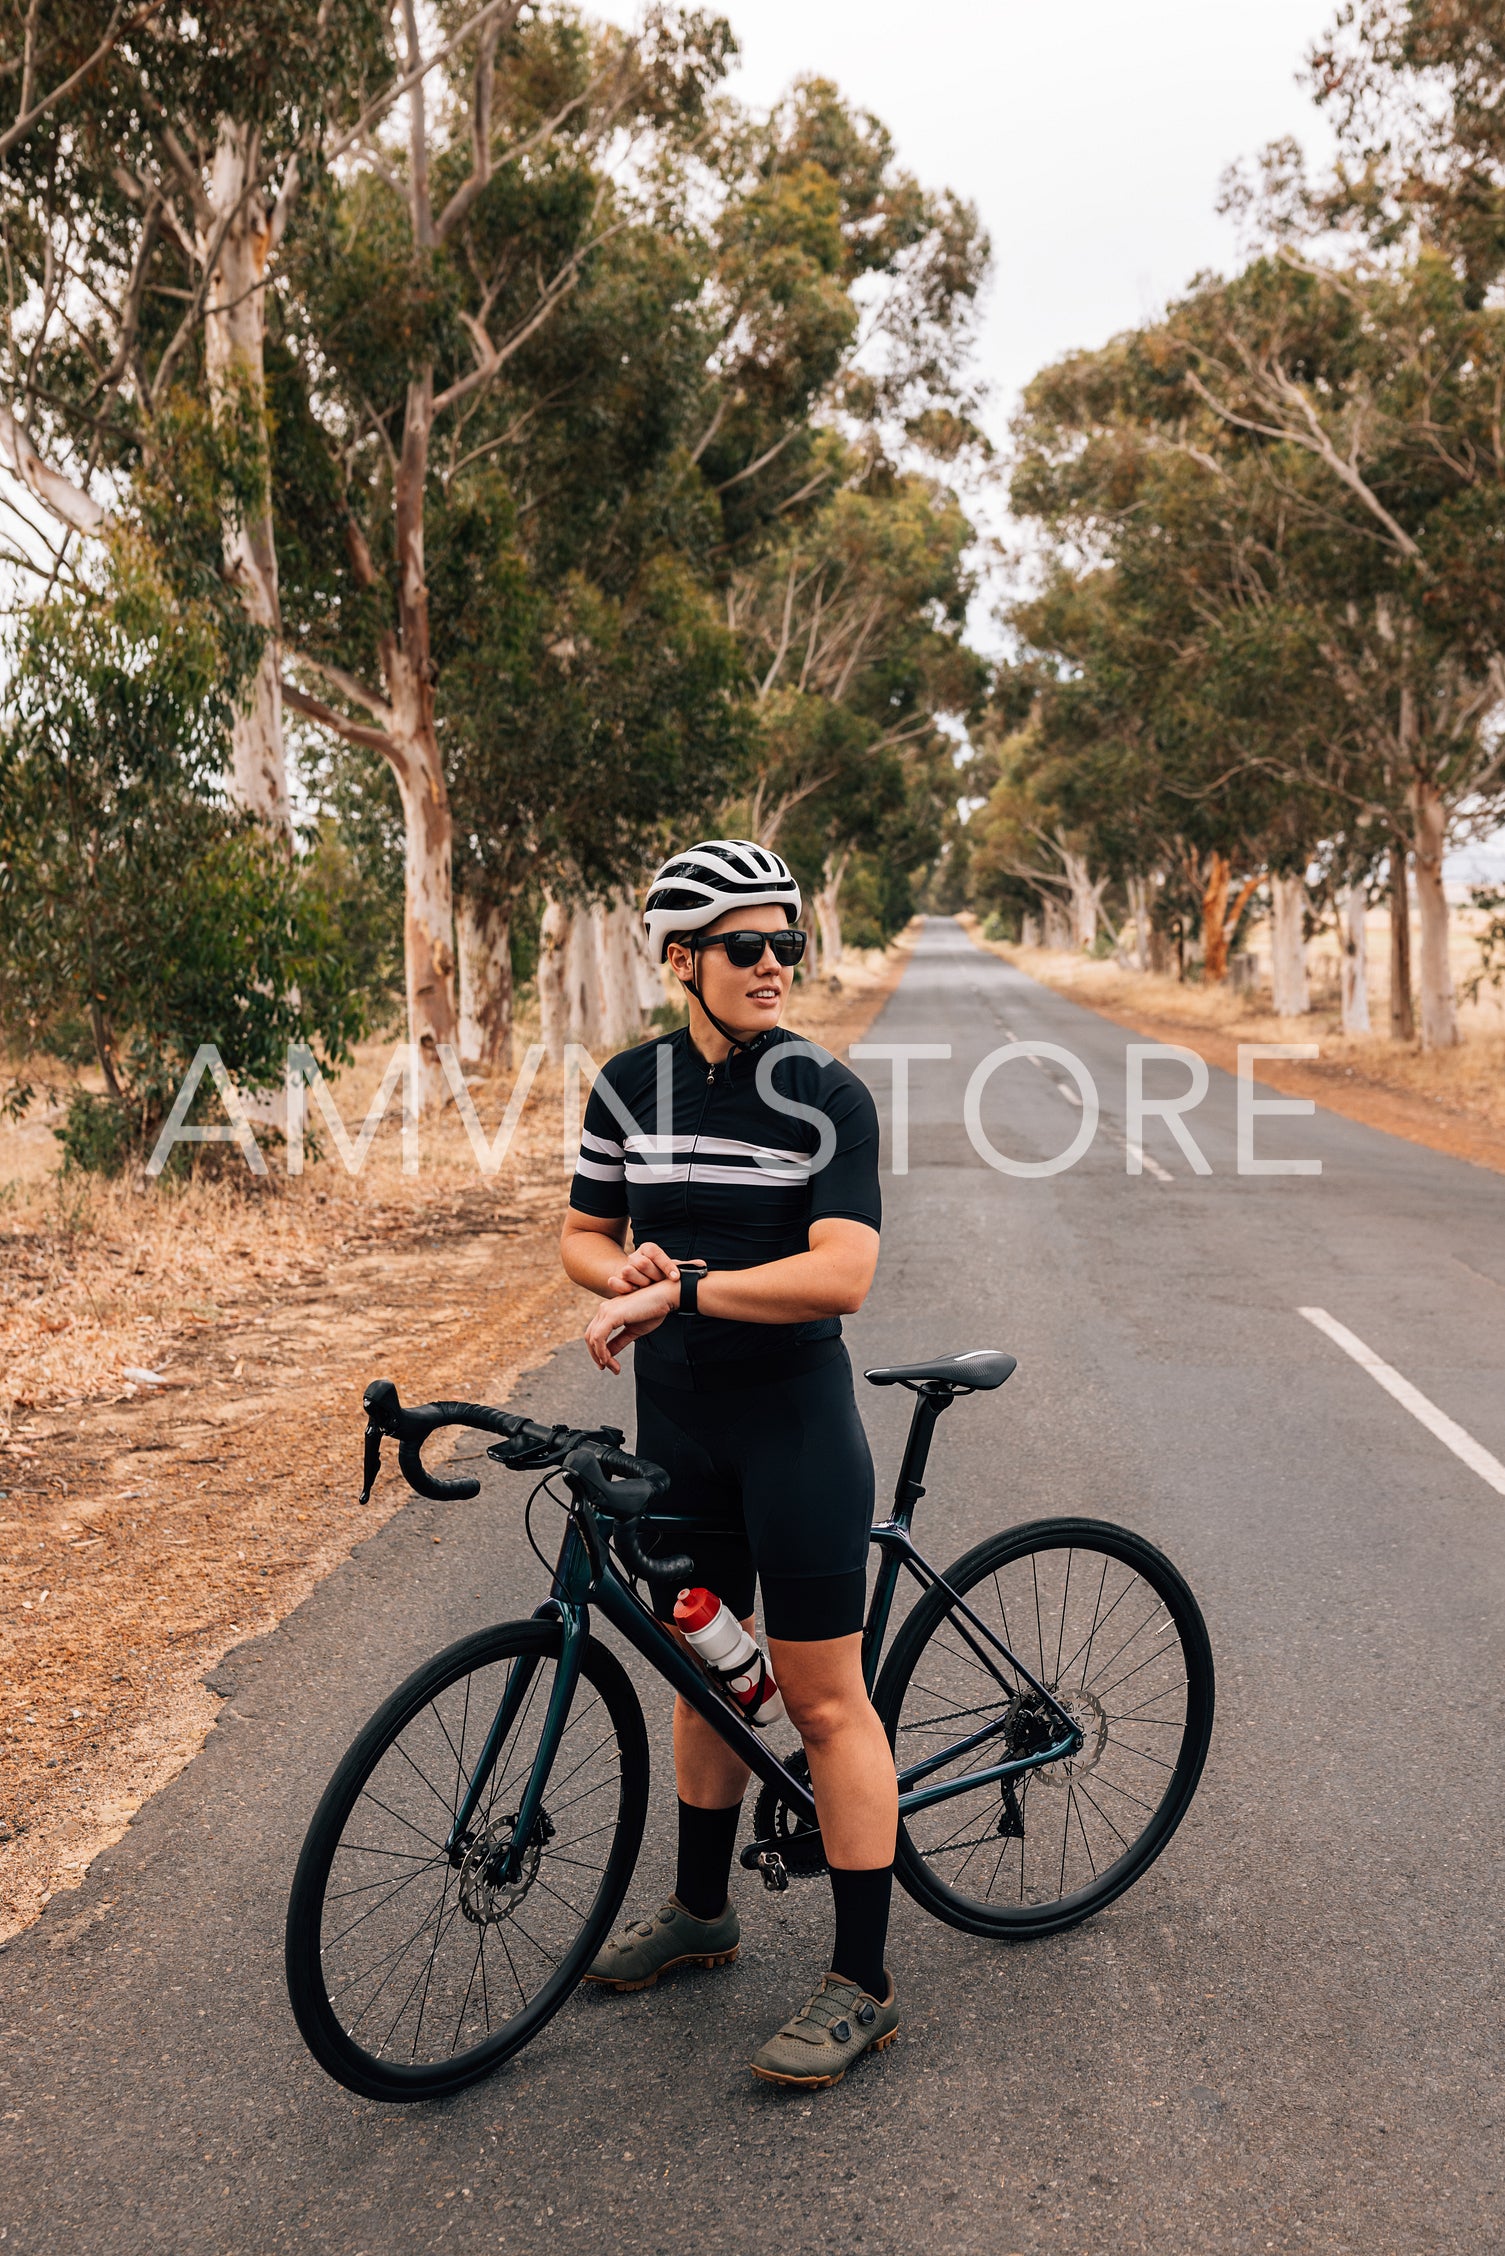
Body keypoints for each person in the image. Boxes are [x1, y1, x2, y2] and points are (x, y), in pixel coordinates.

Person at [559, 839, 899, 2089]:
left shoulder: (825, 1093)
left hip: (794, 1429)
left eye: (785, 945)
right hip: (680, 1430)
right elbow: (584, 1235)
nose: (772, 968)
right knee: (703, 1675)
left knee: (818, 1702)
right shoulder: (626, 1087)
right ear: (680, 960)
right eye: (745, 947)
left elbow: (843, 1271)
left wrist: (688, 1286)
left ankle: (861, 1984)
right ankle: (702, 1913)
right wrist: (626, 1276)